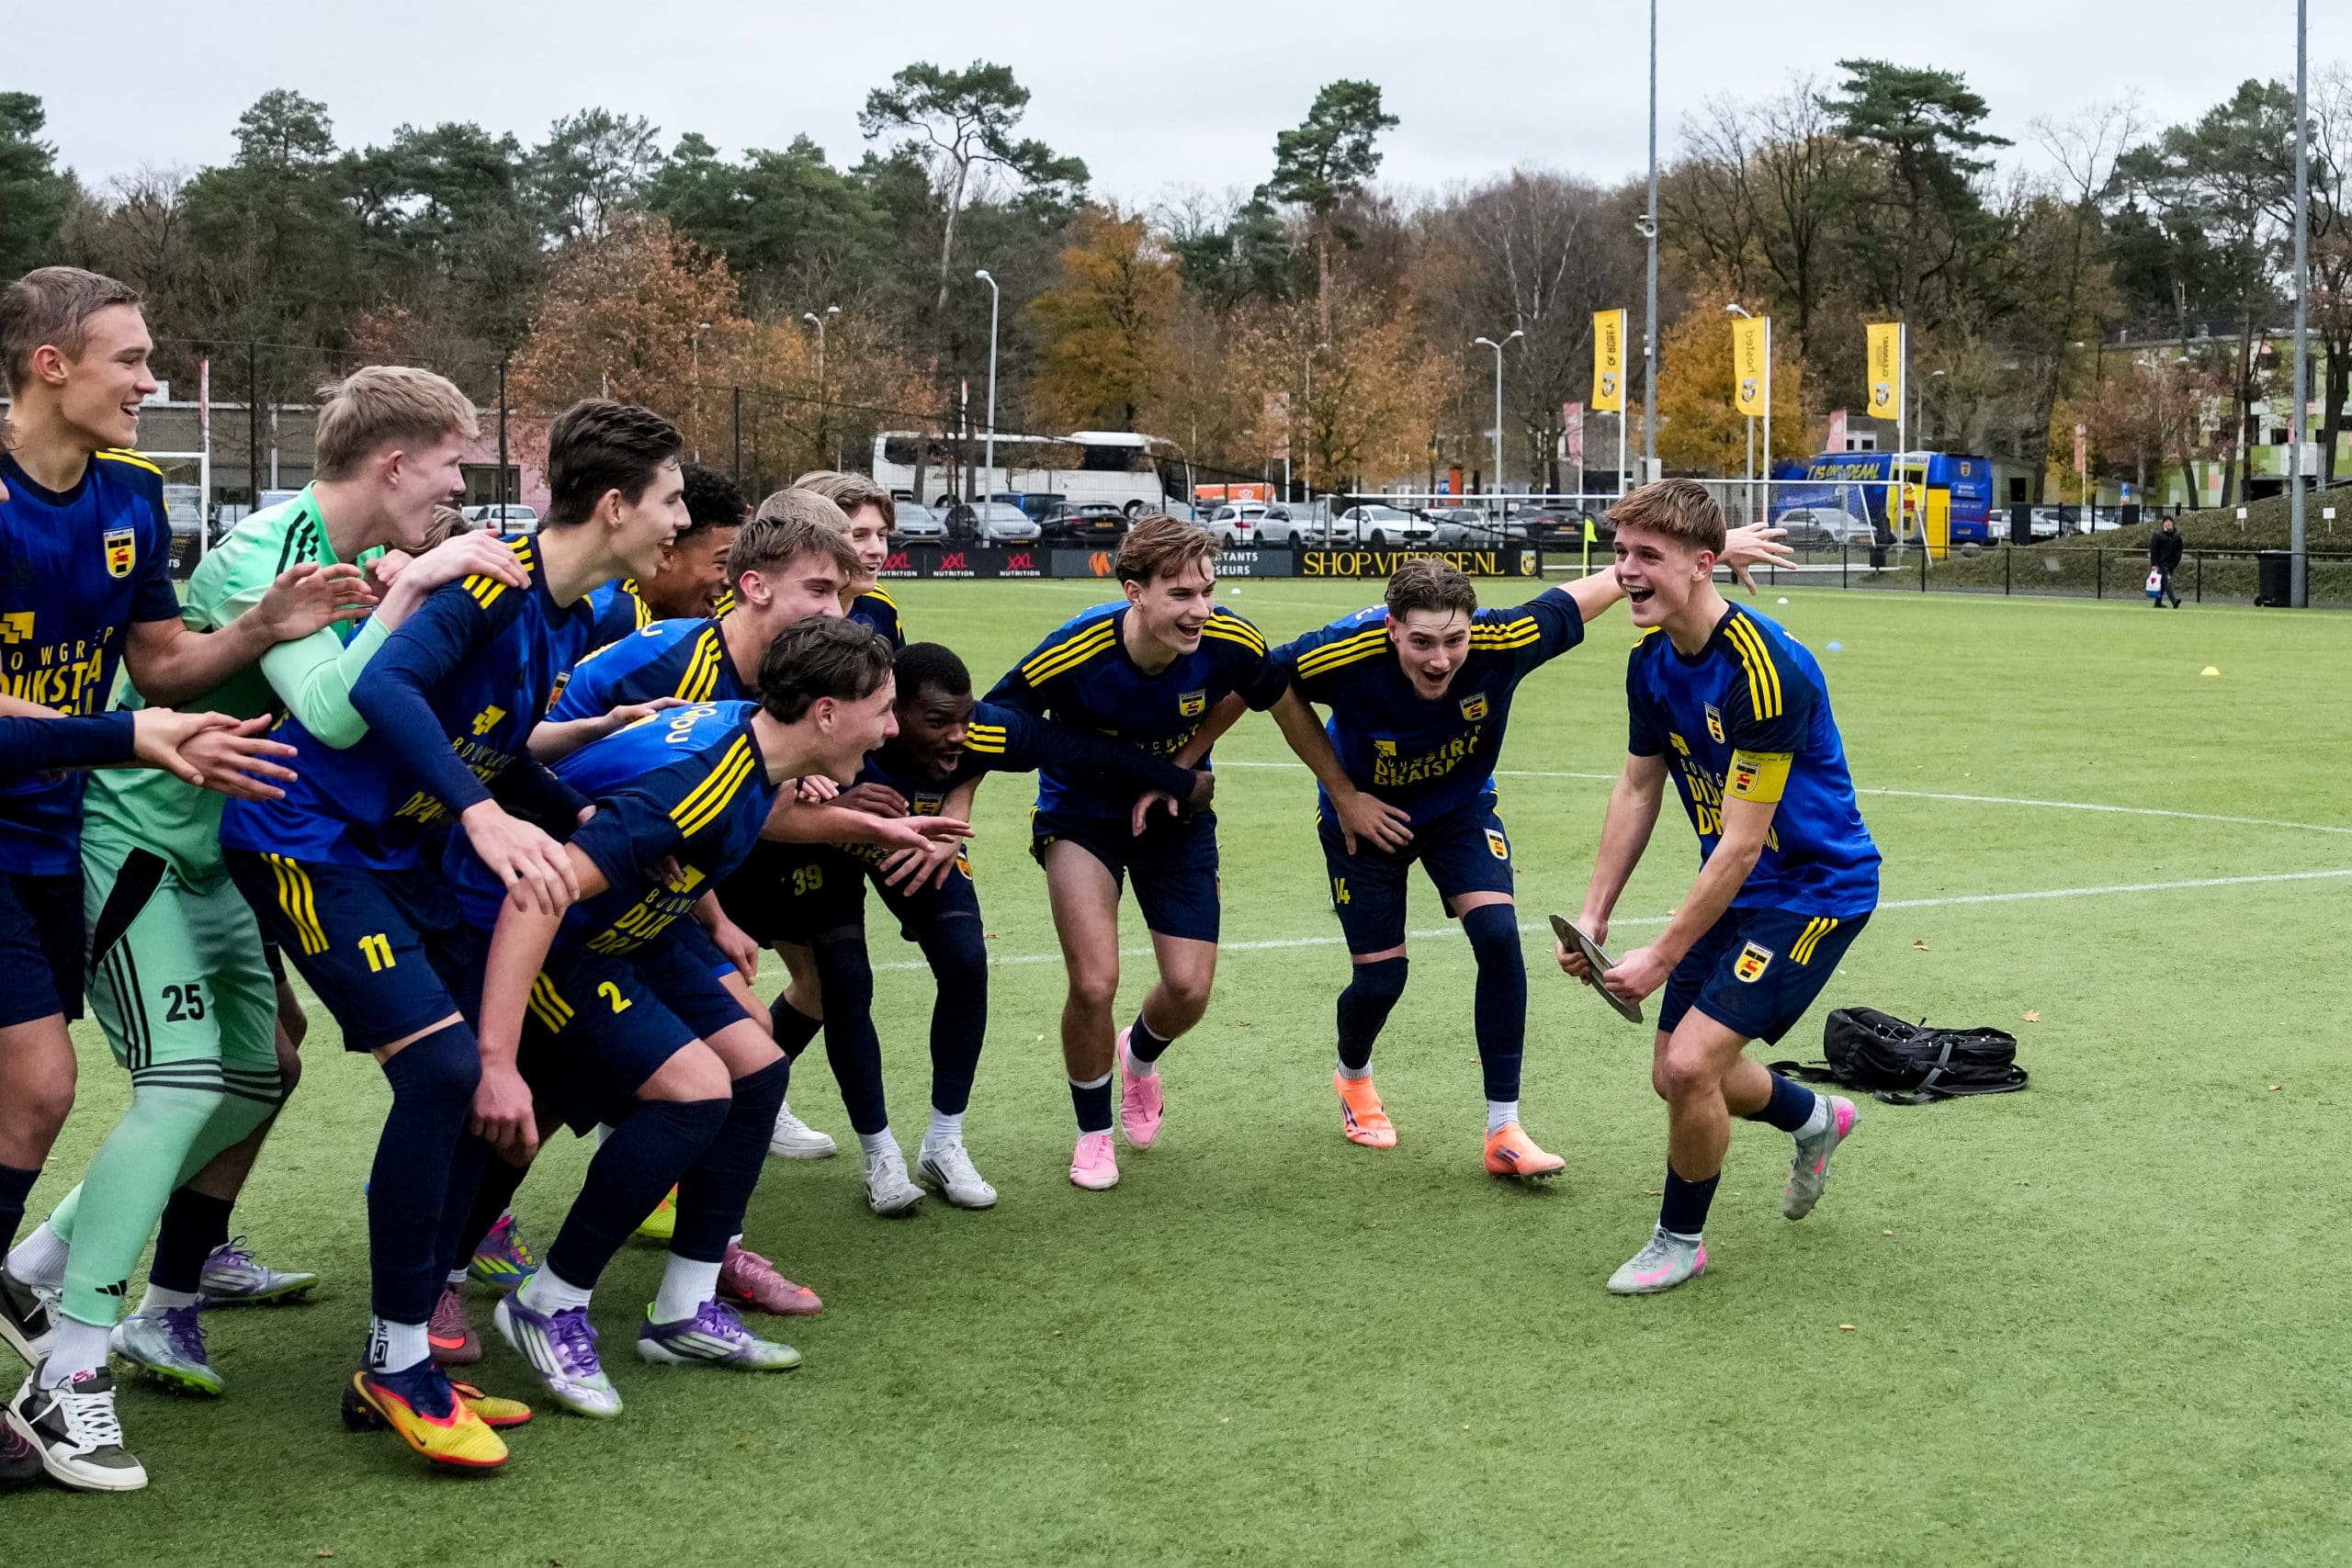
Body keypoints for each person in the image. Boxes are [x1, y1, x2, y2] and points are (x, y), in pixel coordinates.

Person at [4, 368, 531, 1489]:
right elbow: (338, 712)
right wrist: (410, 590)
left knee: (259, 1075)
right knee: (190, 1083)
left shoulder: (328, 548)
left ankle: (42, 1263)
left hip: (211, 845)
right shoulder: (259, 548)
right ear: (396, 464)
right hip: (133, 838)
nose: (455, 492)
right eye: (448, 467)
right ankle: (74, 1366)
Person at [218, 398, 688, 1472]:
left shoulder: (573, 609)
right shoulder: (492, 578)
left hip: (393, 859)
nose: (676, 522)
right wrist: (480, 817)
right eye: (666, 502)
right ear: (614, 506)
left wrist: (576, 819)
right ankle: (395, 1362)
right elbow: (381, 687)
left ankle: (403, 1349)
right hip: (305, 840)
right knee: (442, 1076)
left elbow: (496, 744)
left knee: (500, 1071)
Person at [0, 267, 368, 1491]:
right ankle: (67, 1380)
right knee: (51, 1087)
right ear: (52, 365)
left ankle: (43, 1279)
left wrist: (258, 627)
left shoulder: (131, 496)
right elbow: (113, 716)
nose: (154, 381)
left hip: (54, 831)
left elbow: (161, 661)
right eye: (133, 359)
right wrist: (127, 738)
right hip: (46, 828)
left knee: (55, 1097)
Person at [458, 620, 930, 1416]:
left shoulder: (748, 740)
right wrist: (497, 1059)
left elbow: (741, 813)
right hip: (550, 944)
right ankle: (547, 1302)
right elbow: (537, 892)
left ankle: (682, 1308)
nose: (891, 728)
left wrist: (872, 826)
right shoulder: (701, 773)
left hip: (638, 926)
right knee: (696, 1092)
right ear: (823, 712)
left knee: (758, 1067)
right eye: (882, 709)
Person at [1264, 532, 1790, 1174]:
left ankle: (1503, 1130)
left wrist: (1706, 547)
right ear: (1392, 628)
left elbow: (1593, 591)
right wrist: (1345, 795)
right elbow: (1274, 681)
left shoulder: (1505, 640)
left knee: (1497, 936)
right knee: (1382, 977)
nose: (1440, 660)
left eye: (1454, 641)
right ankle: (1353, 1076)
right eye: (1422, 642)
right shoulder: (1344, 650)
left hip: (1459, 811)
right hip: (1366, 821)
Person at [720, 641, 1214, 1212]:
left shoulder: (979, 731)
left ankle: (944, 1141)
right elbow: (757, 793)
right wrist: (838, 808)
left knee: (964, 958)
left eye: (965, 717)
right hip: (828, 850)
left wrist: (1180, 782)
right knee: (845, 983)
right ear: (892, 713)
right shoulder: (845, 737)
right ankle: (880, 1155)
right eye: (938, 722)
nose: (959, 735)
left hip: (919, 845)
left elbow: (1075, 746)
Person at [1557, 480, 1879, 1296]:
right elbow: (1637, 789)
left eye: (1646, 557)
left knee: (1695, 1060)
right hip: (1739, 887)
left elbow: (1740, 844)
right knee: (1675, 1074)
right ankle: (1816, 1118)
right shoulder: (1650, 663)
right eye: (1620, 553)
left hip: (1813, 889)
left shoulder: (1767, 672)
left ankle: (1680, 1240)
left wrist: (1662, 955)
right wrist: (1592, 916)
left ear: (1703, 566)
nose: (1626, 571)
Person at [984, 515, 1287, 1190]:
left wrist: (1178, 767)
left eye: (1207, 590)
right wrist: (954, 806)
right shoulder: (1076, 649)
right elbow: (991, 719)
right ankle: (1093, 1134)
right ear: (1134, 591)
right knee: (1094, 981)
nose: (1201, 610)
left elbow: (1251, 685)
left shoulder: (1226, 636)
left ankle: (1139, 1057)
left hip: (1177, 816)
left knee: (1188, 989)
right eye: (1181, 594)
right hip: (1080, 814)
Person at [582, 461, 747, 649]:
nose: (730, 580)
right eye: (722, 562)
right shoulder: (610, 616)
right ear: (666, 554)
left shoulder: (722, 620)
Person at [764, 471, 901, 647]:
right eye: (858, 536)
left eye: (881, 535)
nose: (877, 550)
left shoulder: (880, 606)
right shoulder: (750, 607)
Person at [2149, 516, 2184, 608]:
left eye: (2170, 521)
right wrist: (2154, 564)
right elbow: (2153, 550)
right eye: (2166, 521)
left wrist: (2177, 560)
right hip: (2161, 564)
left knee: (2163, 584)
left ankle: (2157, 602)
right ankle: (2174, 601)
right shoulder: (2158, 535)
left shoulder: (2176, 536)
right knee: (2167, 581)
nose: (2168, 523)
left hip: (2172, 563)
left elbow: (2180, 549)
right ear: (2163, 524)